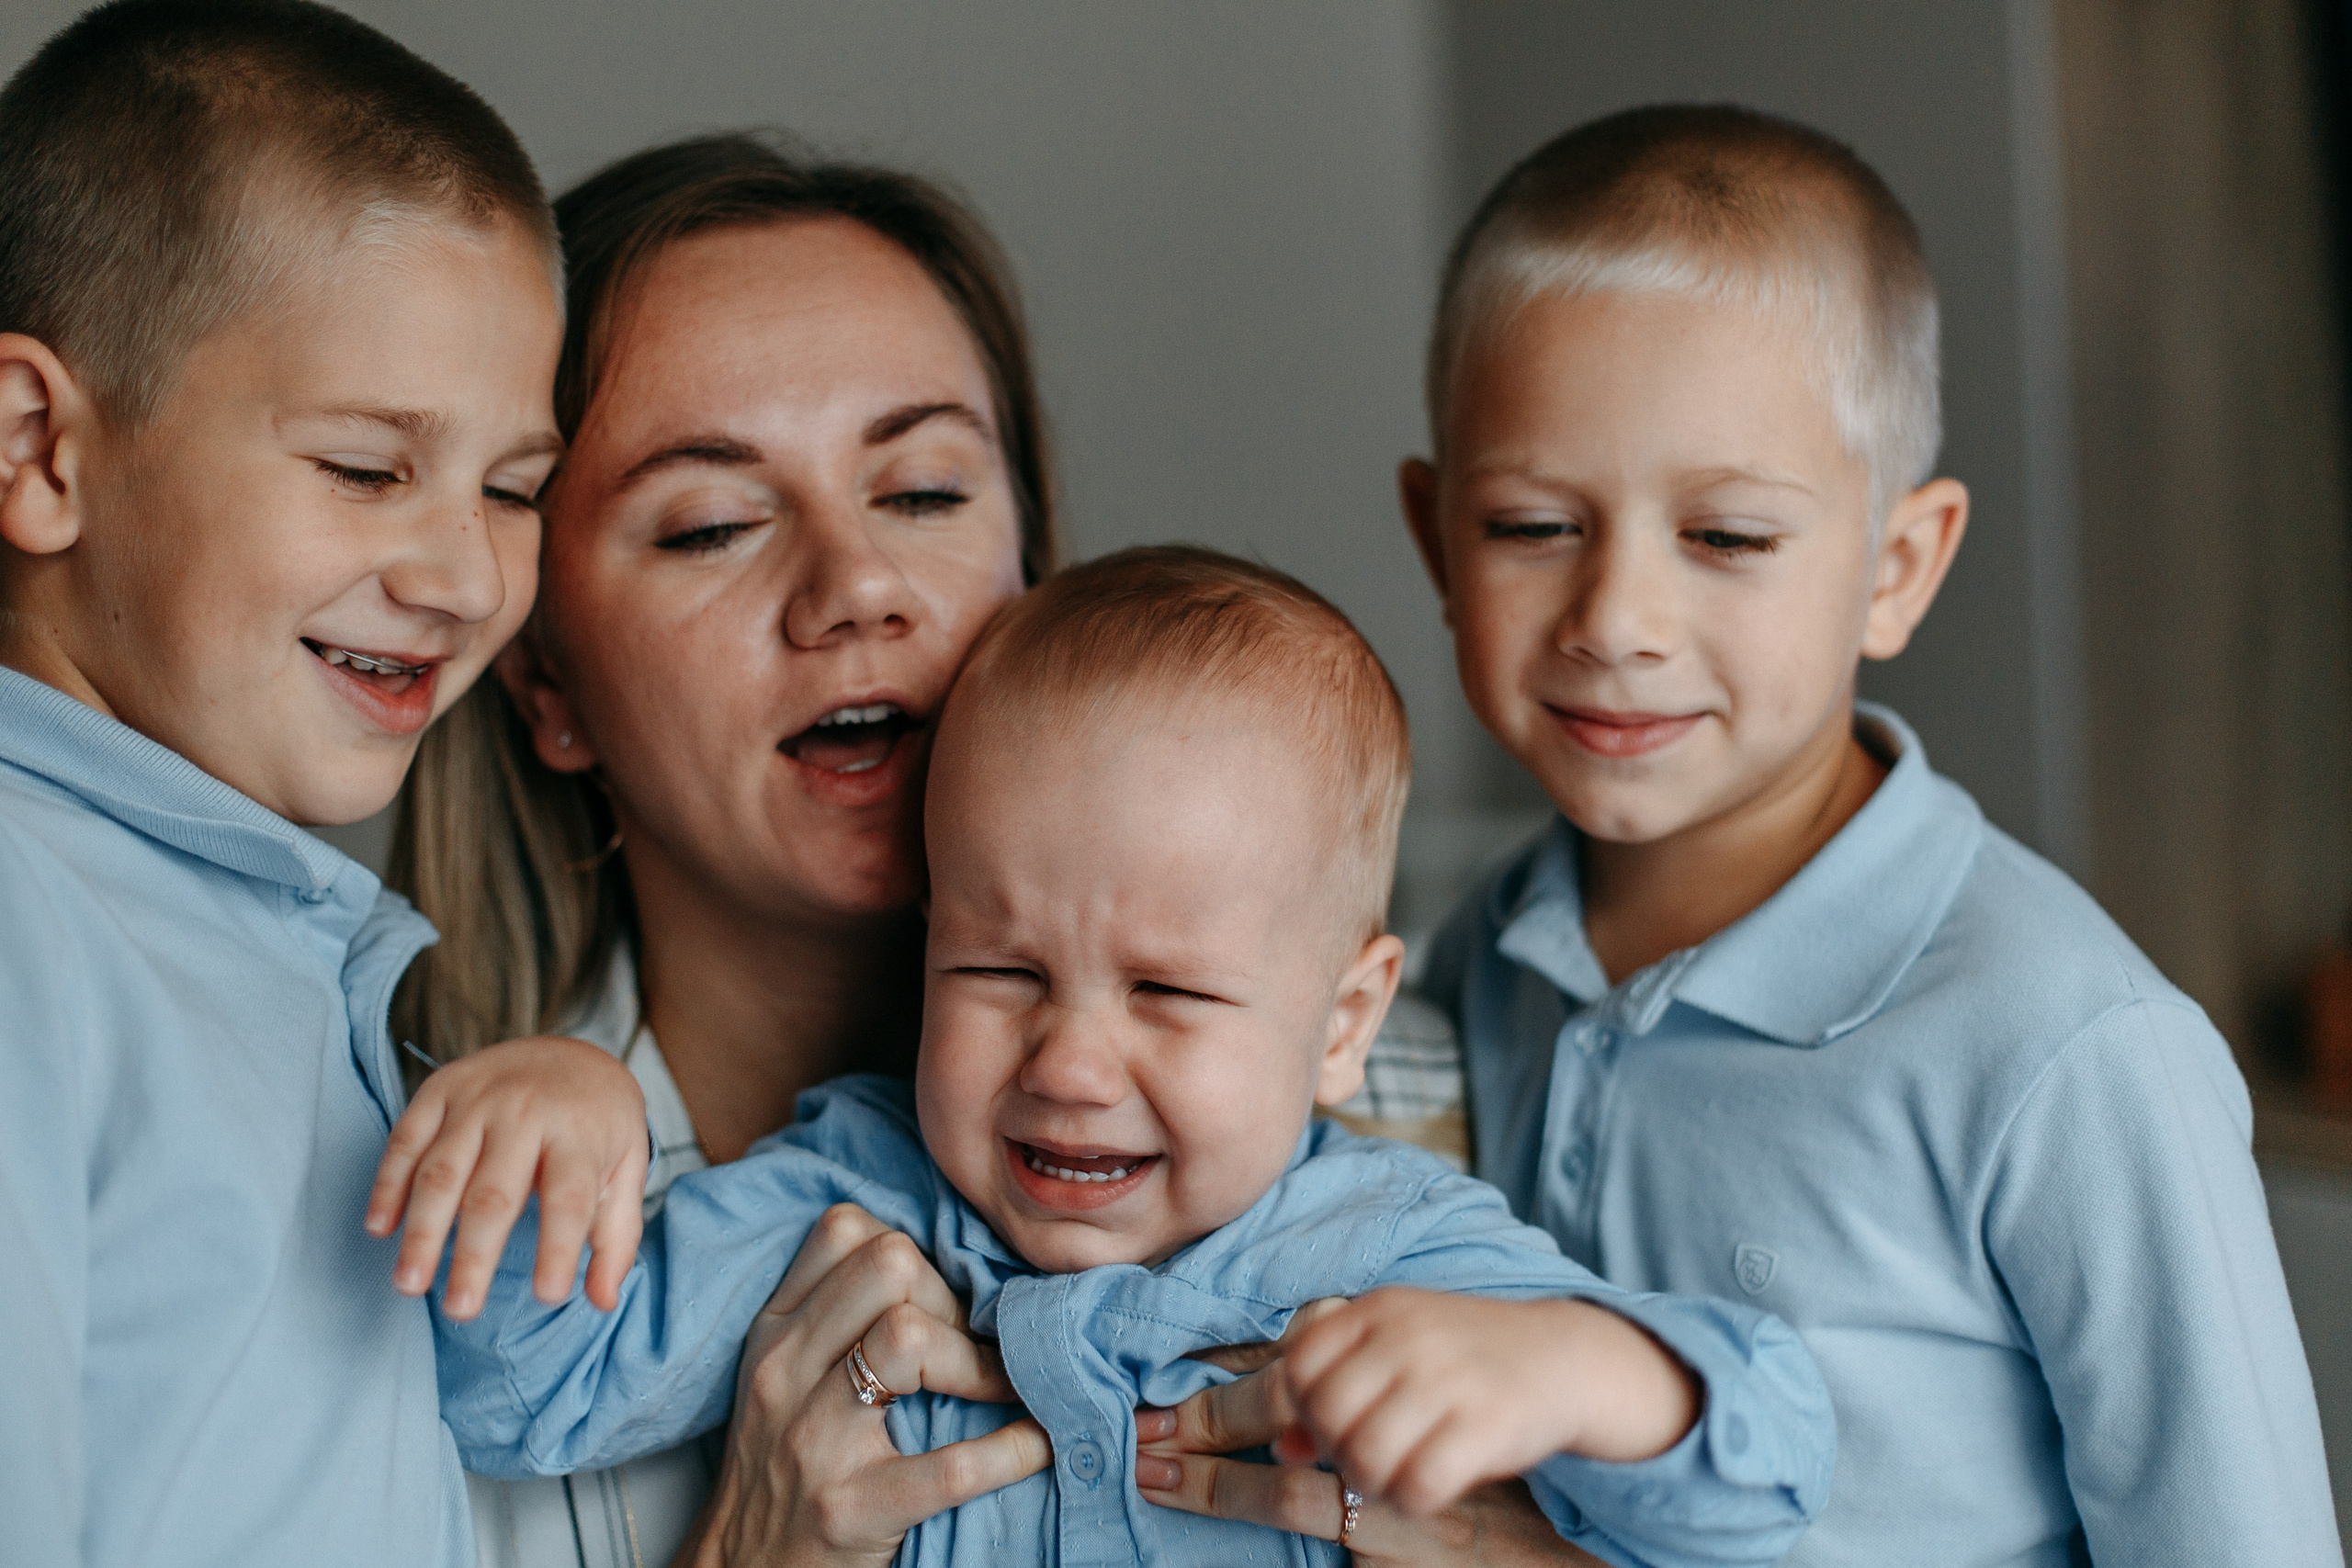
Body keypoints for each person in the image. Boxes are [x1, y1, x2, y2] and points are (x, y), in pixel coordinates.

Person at [1140, 104, 2344, 1565]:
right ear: (1434, 538)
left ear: (1896, 569)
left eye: (1725, 538)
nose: (1617, 624)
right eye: (1532, 526)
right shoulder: (1485, 956)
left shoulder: (2069, 1051)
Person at [388, 546, 1839, 1568]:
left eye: (1166, 990)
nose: (1070, 1063)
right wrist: (559, 1121)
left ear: (1344, 1022)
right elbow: (521, 1399)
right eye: (1000, 971)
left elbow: (1764, 1476)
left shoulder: (1402, 1252)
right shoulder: (847, 1207)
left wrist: (1581, 1371)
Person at [0, 3, 640, 1564]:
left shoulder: (257, 945)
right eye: (366, 467)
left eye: (512, 491)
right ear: (37, 452)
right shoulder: (27, 911)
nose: (465, 576)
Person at [385, 131, 1059, 1567]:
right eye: (711, 525)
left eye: (926, 493)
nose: (857, 584)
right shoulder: (417, 1270)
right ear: (546, 686)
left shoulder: (1387, 1096)